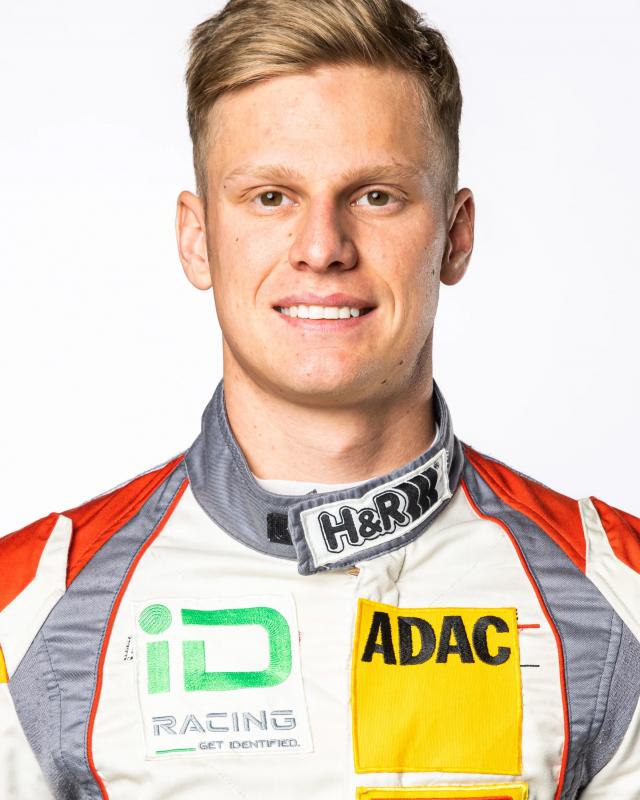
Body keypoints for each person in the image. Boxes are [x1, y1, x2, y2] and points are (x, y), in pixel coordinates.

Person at [1, 0, 638, 797]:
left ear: (456, 234)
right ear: (197, 240)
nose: (321, 248)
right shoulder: (27, 607)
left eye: (376, 195)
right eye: (271, 197)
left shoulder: (620, 593)